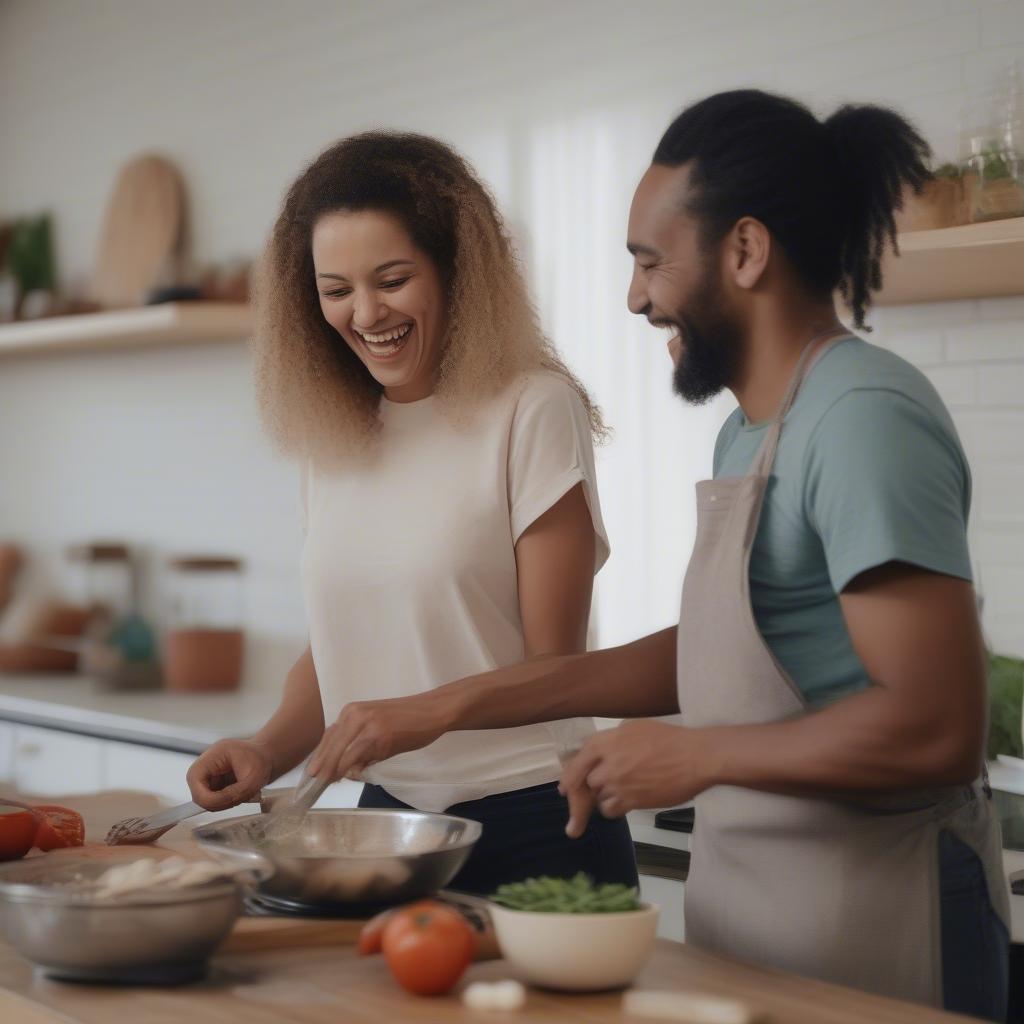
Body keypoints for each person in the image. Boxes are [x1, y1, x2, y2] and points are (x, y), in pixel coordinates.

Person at [304, 93, 1009, 1019]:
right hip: (763, 904)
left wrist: (698, 755)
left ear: (746, 251)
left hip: (882, 907)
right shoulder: (754, 430)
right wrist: (444, 706)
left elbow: (938, 726)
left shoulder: (863, 418)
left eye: (648, 262)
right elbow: (720, 653)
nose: (634, 296)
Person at [185, 132, 638, 895]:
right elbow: (342, 643)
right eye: (336, 290)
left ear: (455, 271)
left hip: (535, 816)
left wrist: (419, 713)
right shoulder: (334, 434)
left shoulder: (532, 409)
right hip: (388, 819)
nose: (367, 313)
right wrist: (268, 749)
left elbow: (558, 671)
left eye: (392, 279)